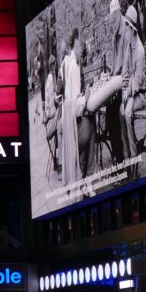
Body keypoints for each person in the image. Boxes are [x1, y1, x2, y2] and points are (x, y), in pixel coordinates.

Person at [117, 5, 146, 162]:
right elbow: (126, 74)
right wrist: (124, 92)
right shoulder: (129, 47)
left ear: (132, 29)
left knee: (127, 112)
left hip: (139, 95)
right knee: (121, 110)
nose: (125, 33)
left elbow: (137, 81)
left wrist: (128, 93)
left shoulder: (140, 52)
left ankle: (134, 155)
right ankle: (126, 153)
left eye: (126, 28)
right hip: (130, 93)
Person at [61, 29, 85, 186]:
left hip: (66, 113)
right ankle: (86, 176)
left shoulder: (66, 63)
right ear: (75, 44)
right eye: (80, 45)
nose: (81, 48)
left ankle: (71, 180)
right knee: (91, 129)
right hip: (73, 118)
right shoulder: (74, 66)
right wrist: (87, 96)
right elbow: (77, 104)